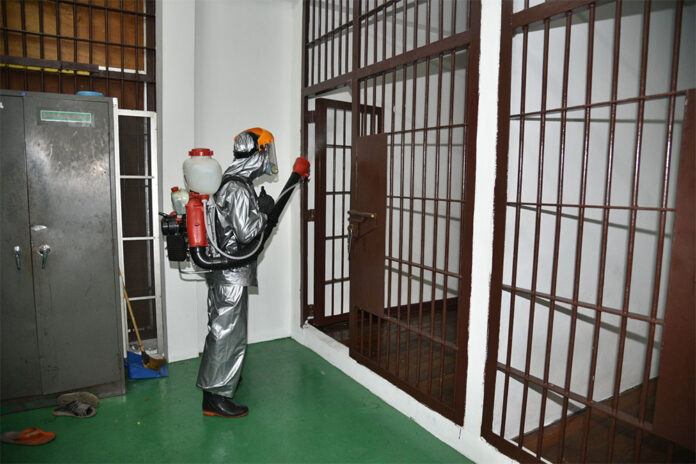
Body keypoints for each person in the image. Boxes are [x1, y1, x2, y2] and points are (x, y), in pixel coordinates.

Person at [197, 128, 278, 418]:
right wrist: (265, 211)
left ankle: (227, 377)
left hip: (223, 271)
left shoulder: (226, 182)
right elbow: (247, 234)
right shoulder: (238, 187)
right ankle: (215, 398)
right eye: (266, 153)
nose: (268, 159)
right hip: (231, 272)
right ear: (258, 154)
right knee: (227, 332)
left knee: (222, 328)